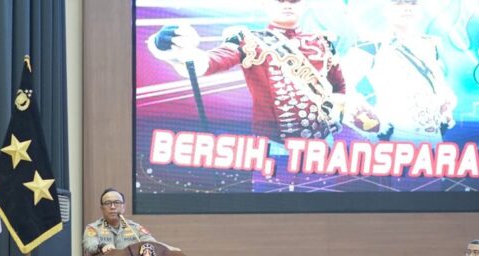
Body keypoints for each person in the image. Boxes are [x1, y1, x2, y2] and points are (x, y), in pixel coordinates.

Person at [147, 0, 346, 151]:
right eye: (279, 0)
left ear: (304, 4)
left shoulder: (323, 42)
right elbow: (209, 62)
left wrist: (336, 111)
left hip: (323, 143)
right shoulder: (248, 40)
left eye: (294, 0)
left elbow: (340, 88)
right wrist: (173, 47)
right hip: (274, 147)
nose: (287, 4)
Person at [341, 0, 456, 143]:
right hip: (393, 137)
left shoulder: (431, 44)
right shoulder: (372, 44)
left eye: (412, 3)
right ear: (386, 7)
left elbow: (439, 86)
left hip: (433, 137)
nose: (407, 8)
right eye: (399, 3)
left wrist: (446, 107)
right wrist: (365, 115)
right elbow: (341, 84)